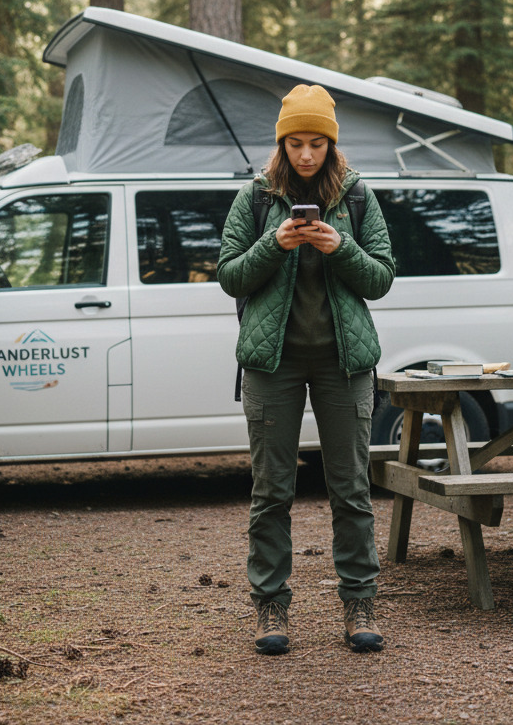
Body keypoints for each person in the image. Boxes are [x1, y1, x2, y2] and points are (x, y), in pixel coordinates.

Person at [217, 84, 395, 655]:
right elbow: (229, 275)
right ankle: (271, 606)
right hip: (274, 365)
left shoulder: (358, 196)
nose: (306, 155)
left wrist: (339, 247)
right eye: (296, 143)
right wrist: (277, 243)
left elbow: (382, 278)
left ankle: (359, 602)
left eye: (317, 143)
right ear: (282, 142)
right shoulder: (257, 197)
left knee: (351, 489)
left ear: (332, 143)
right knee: (272, 490)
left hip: (345, 365)